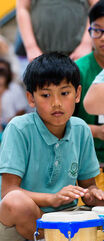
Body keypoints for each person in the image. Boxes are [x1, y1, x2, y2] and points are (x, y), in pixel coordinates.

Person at [0, 53, 104, 241]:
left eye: (64, 93)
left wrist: (92, 195)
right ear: (31, 98)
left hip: (60, 219)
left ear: (77, 94)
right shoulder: (19, 128)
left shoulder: (81, 130)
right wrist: (52, 199)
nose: (56, 103)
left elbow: (88, 186)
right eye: (46, 95)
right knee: (18, 203)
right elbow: (9, 192)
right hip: (9, 227)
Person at [16, 0, 97, 62]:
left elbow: (96, 5)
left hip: (79, 54)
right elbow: (22, 8)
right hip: (41, 54)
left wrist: (86, 44)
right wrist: (31, 47)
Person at [74, 1, 104, 164]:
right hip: (86, 162)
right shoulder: (78, 70)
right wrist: (96, 131)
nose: (103, 38)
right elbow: (62, 122)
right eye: (97, 31)